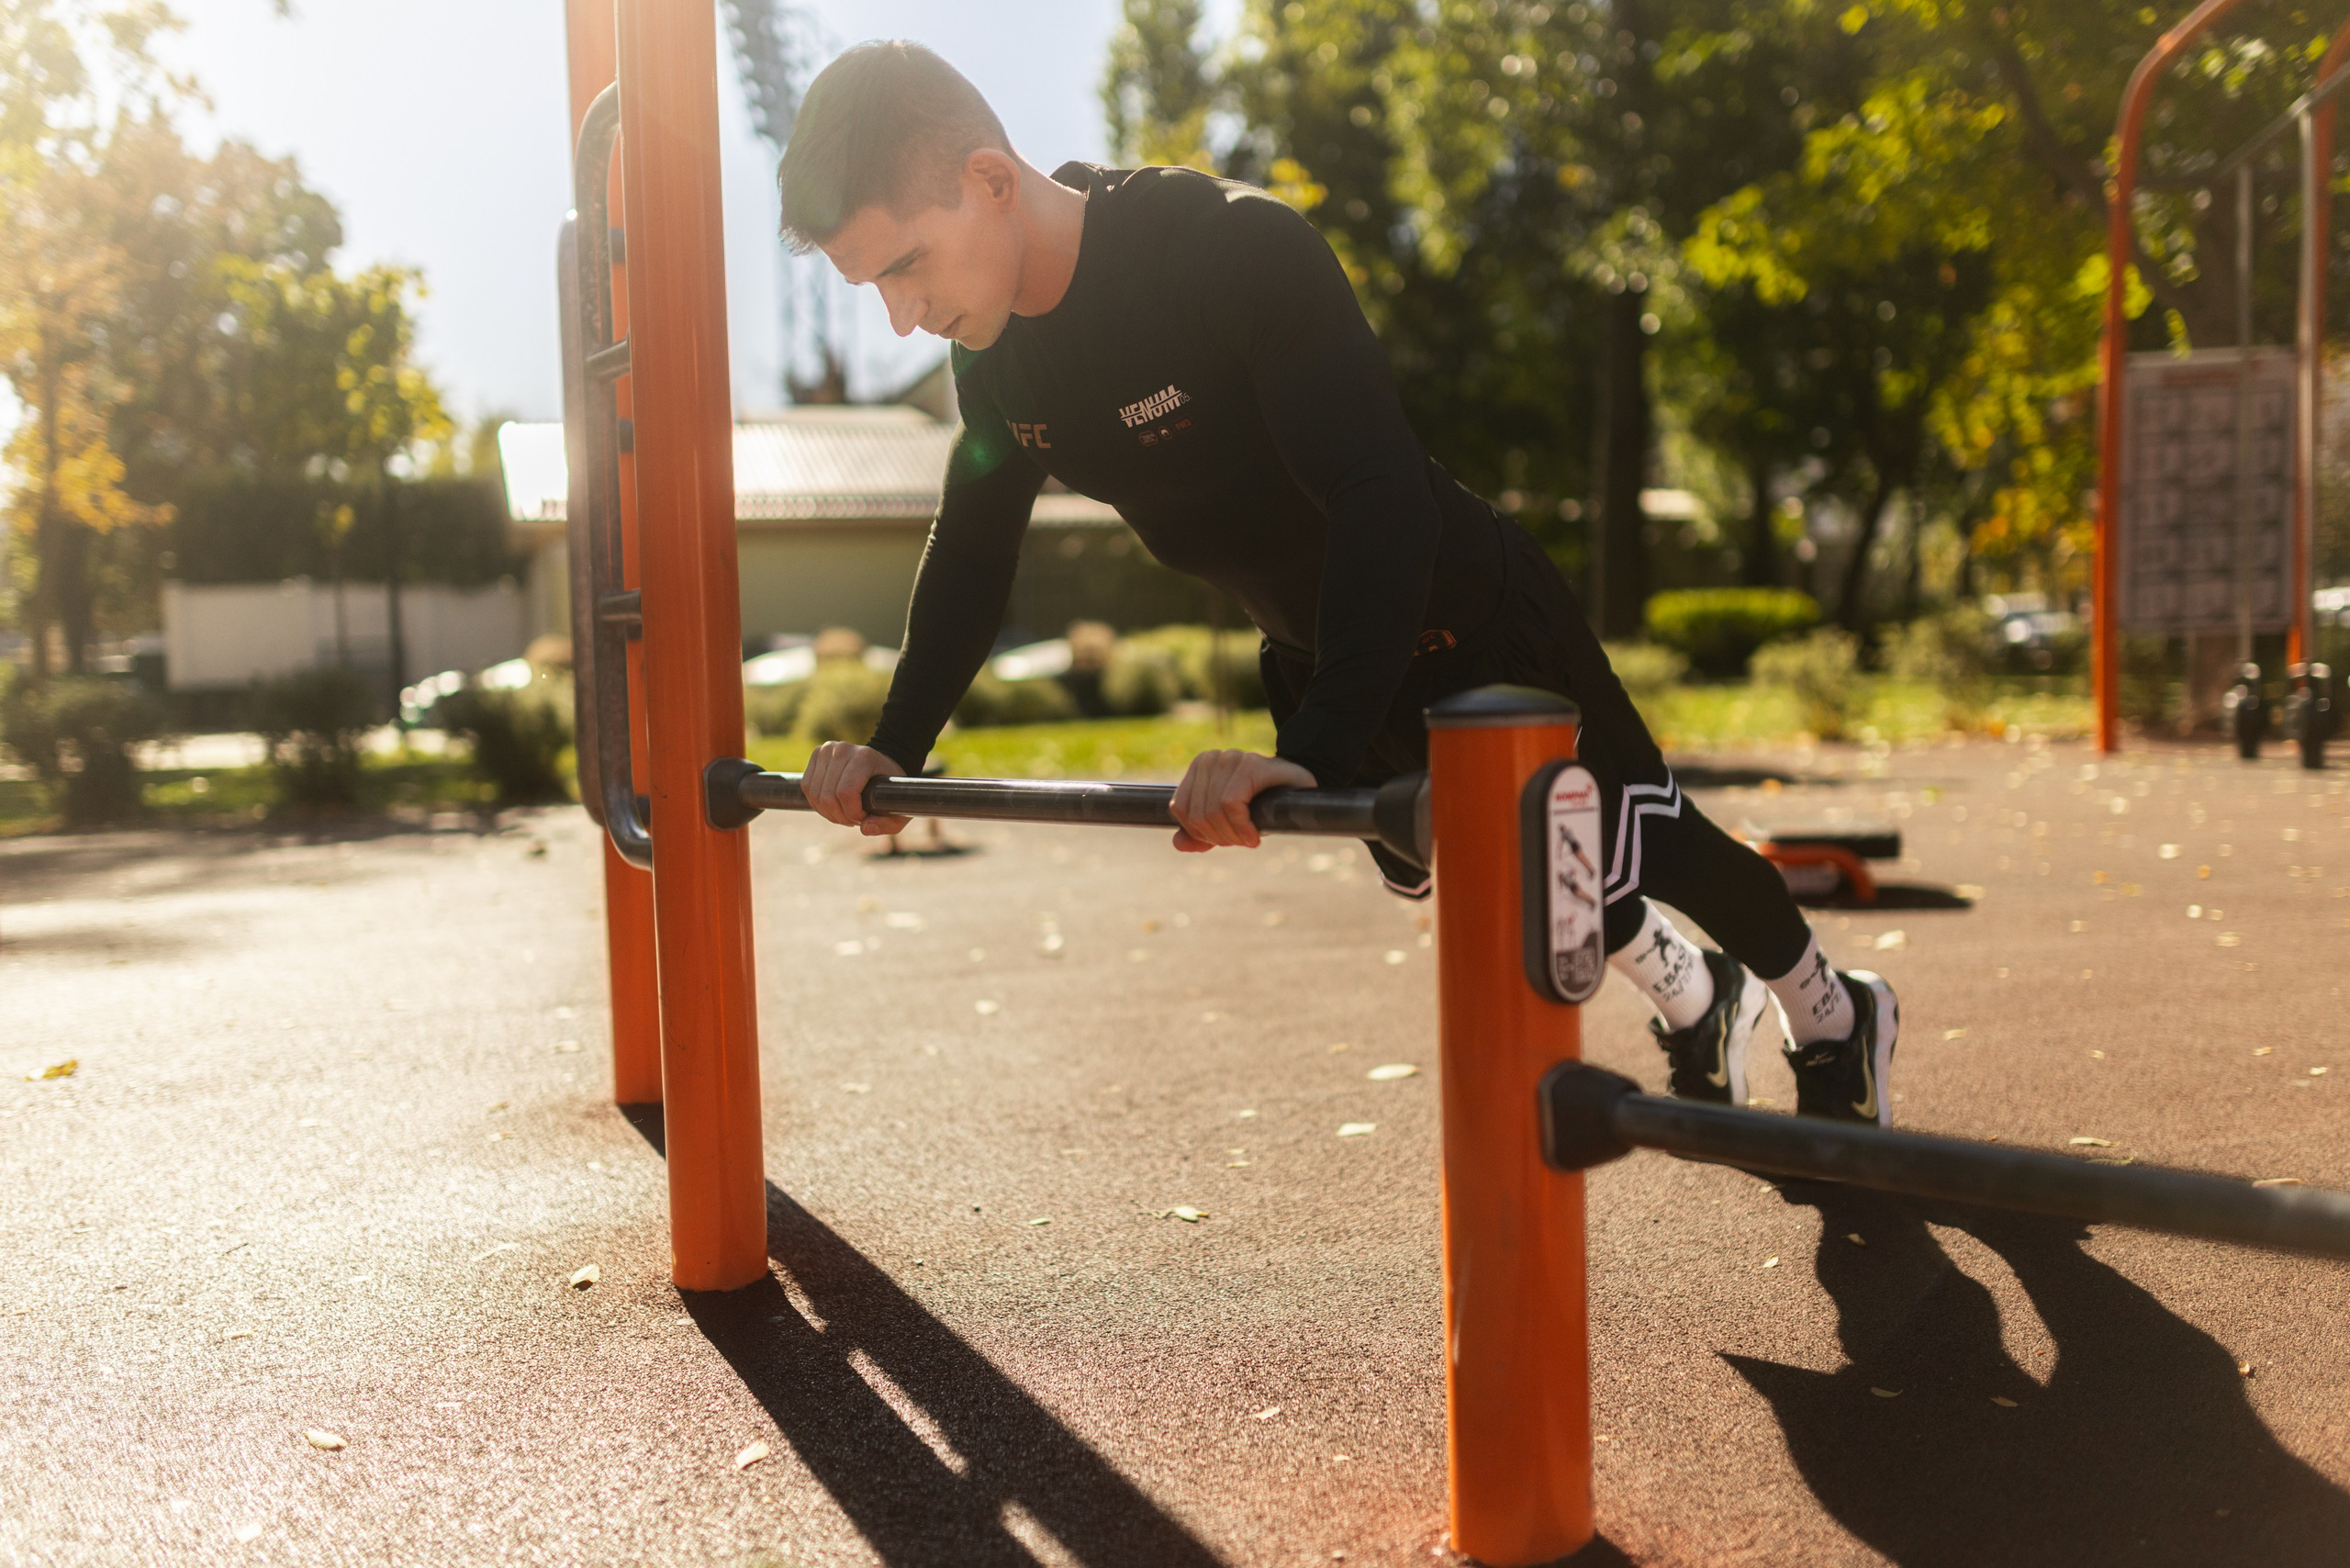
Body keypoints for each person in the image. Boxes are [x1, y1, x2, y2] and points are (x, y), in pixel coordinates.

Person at [775, 40, 1897, 1125]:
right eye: (873, 284)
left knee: (1649, 841)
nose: (901, 315)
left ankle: (1836, 1013)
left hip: (1468, 614)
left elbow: (1374, 493)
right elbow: (973, 551)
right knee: (1510, 867)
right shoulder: (996, 360)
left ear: (989, 181)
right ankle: (1696, 1003)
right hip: (1320, 651)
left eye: (905, 265)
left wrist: (1315, 743)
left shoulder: (1223, 246)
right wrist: (897, 744)